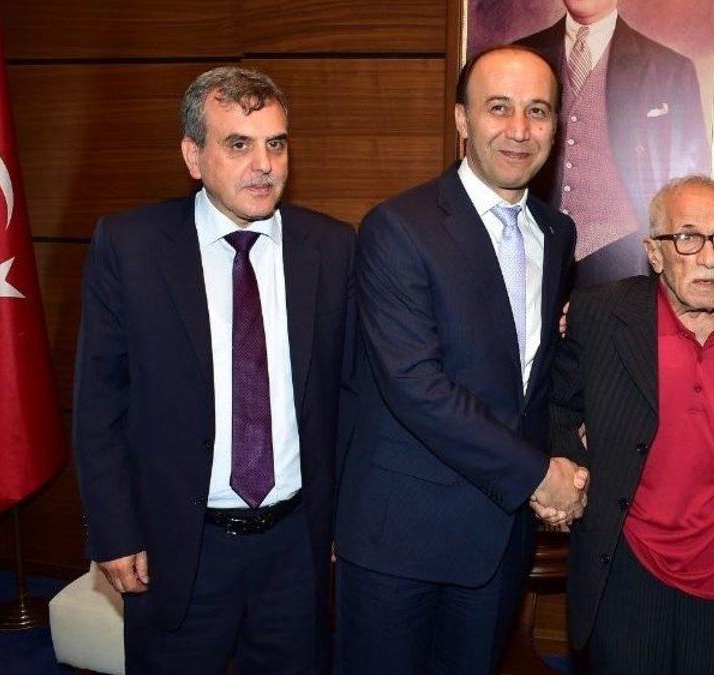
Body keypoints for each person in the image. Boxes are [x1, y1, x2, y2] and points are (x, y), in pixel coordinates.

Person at [73, 66, 356, 673]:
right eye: (239, 145)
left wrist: (342, 523)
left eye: (276, 144)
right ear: (193, 156)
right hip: (178, 546)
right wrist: (114, 530)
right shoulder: (131, 246)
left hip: (296, 547)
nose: (264, 165)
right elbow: (99, 404)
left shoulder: (332, 248)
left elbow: (351, 396)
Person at [333, 45, 582, 675]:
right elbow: (416, 386)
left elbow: (531, 382)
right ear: (462, 119)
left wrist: (563, 462)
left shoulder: (557, 233)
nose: (519, 129)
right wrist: (538, 476)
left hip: (499, 539)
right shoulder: (398, 227)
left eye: (538, 111)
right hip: (402, 541)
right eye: (499, 108)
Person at [549, 175, 714, 673]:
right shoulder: (600, 313)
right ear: (655, 253)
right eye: (688, 237)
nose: (709, 257)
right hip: (629, 573)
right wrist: (572, 468)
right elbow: (557, 409)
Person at [517, 0, 711, 287]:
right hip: (530, 254)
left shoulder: (669, 69)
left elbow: (692, 186)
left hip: (627, 262)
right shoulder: (518, 57)